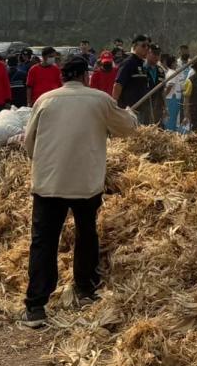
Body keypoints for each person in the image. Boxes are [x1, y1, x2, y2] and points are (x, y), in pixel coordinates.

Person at [21, 56, 139, 328]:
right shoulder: (99, 100)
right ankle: (85, 289)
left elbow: (29, 144)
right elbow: (128, 128)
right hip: (85, 184)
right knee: (87, 234)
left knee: (43, 242)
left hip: (49, 183)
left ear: (63, 77)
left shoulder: (45, 100)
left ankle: (36, 306)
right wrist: (130, 114)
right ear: (85, 76)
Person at [113, 36, 154, 124]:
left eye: (148, 46)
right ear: (135, 47)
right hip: (129, 111)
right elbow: (118, 84)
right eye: (143, 46)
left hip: (142, 110)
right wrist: (114, 106)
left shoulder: (143, 65)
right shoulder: (129, 63)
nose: (146, 48)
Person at [162, 53, 189, 132]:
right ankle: (169, 134)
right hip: (172, 99)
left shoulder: (172, 72)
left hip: (174, 99)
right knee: (170, 120)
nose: (177, 64)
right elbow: (170, 86)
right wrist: (164, 95)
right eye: (175, 62)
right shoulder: (172, 73)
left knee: (173, 120)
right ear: (172, 63)